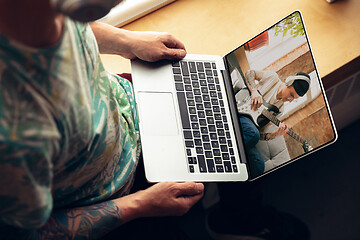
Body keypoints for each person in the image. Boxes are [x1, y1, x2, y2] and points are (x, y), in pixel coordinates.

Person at [0, 0, 204, 239]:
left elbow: (66, 23)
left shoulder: (37, 12)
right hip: (118, 200)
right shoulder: (13, 134)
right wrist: (140, 205)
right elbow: (27, 234)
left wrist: (126, 42)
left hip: (129, 108)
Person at [236, 69, 311, 177]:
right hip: (241, 108)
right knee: (252, 134)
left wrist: (273, 135)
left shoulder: (279, 109)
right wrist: (254, 91)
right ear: (288, 83)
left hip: (249, 129)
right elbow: (250, 73)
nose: (289, 100)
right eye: (291, 94)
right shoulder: (273, 78)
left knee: (259, 165)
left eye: (293, 99)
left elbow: (260, 133)